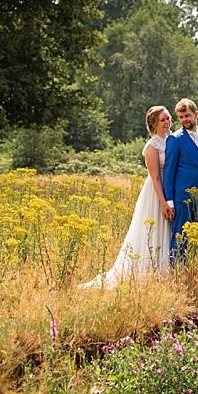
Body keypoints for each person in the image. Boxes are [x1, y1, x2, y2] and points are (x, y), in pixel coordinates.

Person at [79, 106, 175, 289]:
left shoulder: (171, 141)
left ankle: (165, 272)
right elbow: (155, 177)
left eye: (168, 118)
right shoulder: (152, 146)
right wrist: (163, 203)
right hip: (156, 193)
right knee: (153, 230)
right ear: (154, 123)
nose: (167, 122)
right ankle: (145, 273)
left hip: (170, 190)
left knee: (167, 230)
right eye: (162, 119)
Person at [163, 98, 198, 269]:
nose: (184, 120)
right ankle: (175, 272)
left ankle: (192, 270)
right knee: (180, 236)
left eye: (187, 116)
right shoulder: (175, 139)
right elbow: (168, 172)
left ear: (196, 114)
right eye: (181, 117)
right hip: (181, 197)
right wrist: (169, 201)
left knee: (197, 237)